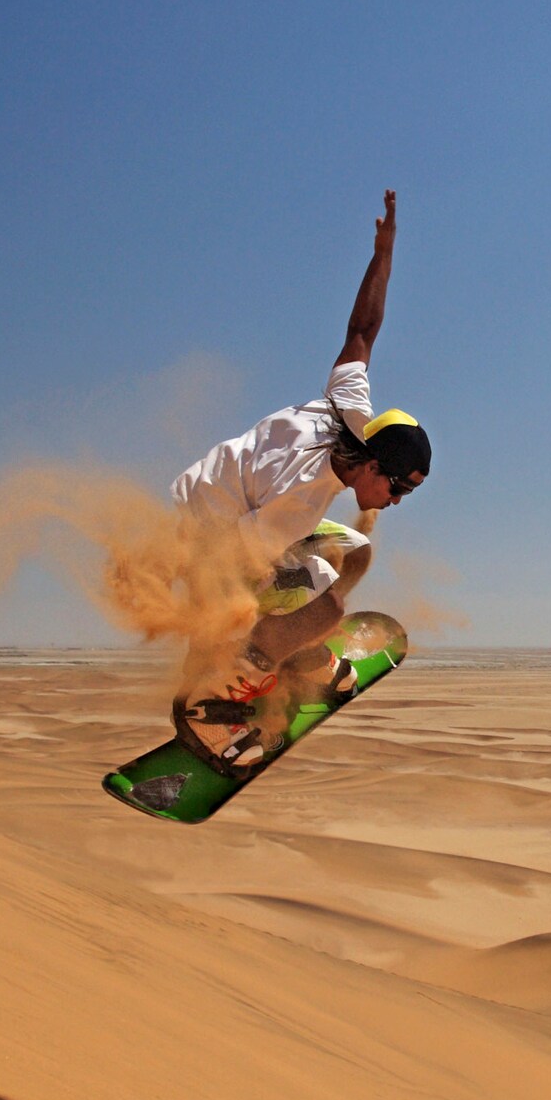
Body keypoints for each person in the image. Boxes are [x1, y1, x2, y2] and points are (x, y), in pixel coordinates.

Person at [169, 190, 431, 770]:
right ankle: (228, 689)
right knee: (327, 611)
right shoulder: (299, 503)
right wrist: (232, 640)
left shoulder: (350, 411)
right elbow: (227, 568)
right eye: (397, 489)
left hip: (222, 496)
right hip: (214, 531)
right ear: (370, 467)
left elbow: (363, 328)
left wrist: (383, 252)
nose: (395, 502)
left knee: (354, 554)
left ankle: (274, 651)